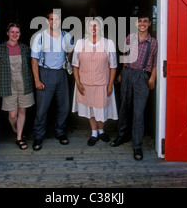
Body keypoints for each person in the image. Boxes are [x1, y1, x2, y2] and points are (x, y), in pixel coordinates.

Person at [110, 11, 158, 161]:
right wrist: (122, 73)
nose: (142, 23)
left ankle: (137, 145)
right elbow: (125, 55)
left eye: (145, 21)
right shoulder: (130, 38)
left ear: (149, 23)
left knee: (138, 112)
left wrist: (152, 78)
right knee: (124, 106)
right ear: (136, 23)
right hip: (128, 74)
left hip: (142, 76)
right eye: (140, 21)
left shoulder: (153, 42)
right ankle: (122, 135)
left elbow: (156, 62)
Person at [31, 10, 74, 151]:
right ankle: (38, 136)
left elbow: (70, 50)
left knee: (64, 106)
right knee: (42, 108)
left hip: (61, 74)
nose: (54, 21)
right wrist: (37, 80)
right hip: (45, 73)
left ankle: (60, 133)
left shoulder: (65, 35)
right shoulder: (39, 37)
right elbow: (34, 60)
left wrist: (67, 61)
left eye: (56, 19)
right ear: (46, 21)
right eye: (51, 19)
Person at [72, 17, 118, 146]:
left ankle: (101, 130)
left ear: (100, 28)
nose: (93, 28)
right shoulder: (80, 43)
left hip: (102, 83)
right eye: (90, 26)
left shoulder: (108, 43)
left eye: (96, 26)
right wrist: (78, 84)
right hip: (85, 83)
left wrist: (110, 85)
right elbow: (75, 66)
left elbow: (113, 66)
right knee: (90, 109)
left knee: (101, 108)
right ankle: (94, 133)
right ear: (87, 28)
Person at [0, 22, 35, 150]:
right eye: (12, 32)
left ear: (20, 34)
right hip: (8, 84)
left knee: (22, 110)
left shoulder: (25, 49)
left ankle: (19, 137)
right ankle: (15, 129)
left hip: (24, 83)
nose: (14, 34)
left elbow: (32, 65)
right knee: (12, 115)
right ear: (7, 33)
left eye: (17, 32)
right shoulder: (0, 49)